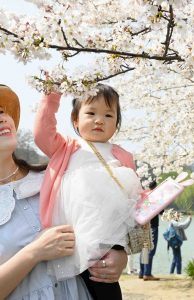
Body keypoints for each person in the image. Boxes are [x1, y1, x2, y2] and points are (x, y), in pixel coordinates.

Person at [0, 85, 127, 299]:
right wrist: (34, 252)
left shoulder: (59, 178)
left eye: (2, 111)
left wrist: (119, 257)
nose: (2, 118)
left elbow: (104, 221)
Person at [34, 84, 142, 299]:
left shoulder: (122, 155)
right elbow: (42, 133)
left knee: (104, 284)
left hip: (107, 239)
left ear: (117, 123)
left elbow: (133, 197)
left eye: (108, 115)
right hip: (71, 236)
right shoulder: (67, 147)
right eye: (91, 113)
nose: (99, 120)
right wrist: (51, 94)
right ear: (75, 119)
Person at [139, 180, 162, 281]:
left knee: (144, 249)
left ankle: (142, 272)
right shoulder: (155, 197)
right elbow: (161, 211)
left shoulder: (144, 196)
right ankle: (147, 273)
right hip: (153, 226)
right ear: (156, 187)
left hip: (143, 225)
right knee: (150, 250)